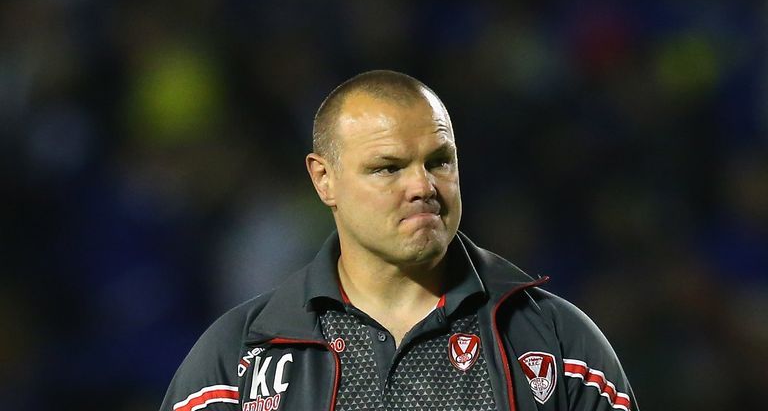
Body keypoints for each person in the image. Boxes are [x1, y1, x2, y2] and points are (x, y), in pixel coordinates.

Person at [160, 70, 638, 411]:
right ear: (324, 179)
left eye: (439, 161)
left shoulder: (557, 343)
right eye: (388, 168)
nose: (423, 186)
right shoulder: (236, 360)